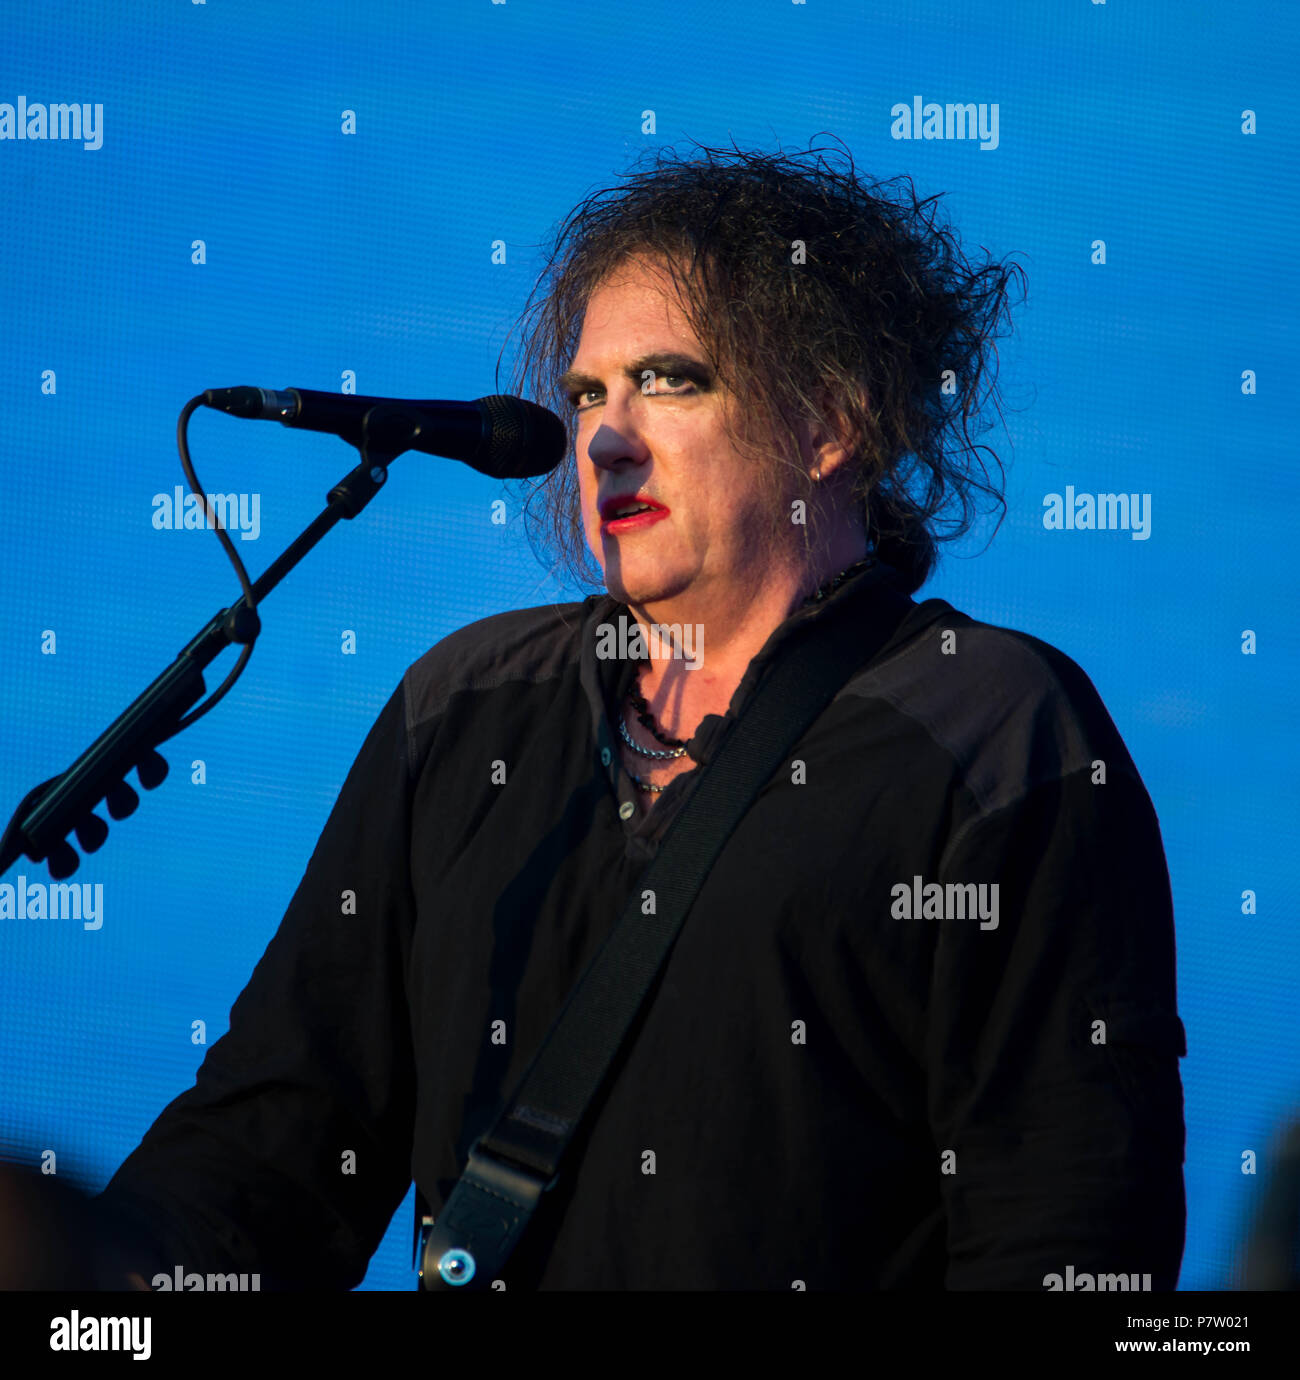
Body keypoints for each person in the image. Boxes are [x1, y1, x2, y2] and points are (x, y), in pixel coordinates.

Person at [79, 138, 1185, 1290]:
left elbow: (1065, 1232)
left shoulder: (989, 729)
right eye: (586, 393)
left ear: (831, 419)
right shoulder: (465, 707)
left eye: (669, 380)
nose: (603, 437)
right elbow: (276, 1143)